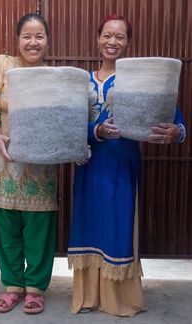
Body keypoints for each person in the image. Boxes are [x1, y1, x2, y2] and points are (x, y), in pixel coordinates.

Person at [68, 14, 186, 317]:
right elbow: (67, 125)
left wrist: (177, 132)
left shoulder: (139, 80)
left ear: (128, 43)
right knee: (90, 224)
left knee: (117, 225)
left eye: (120, 37)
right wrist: (96, 130)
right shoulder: (82, 82)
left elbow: (173, 114)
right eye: (107, 35)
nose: (112, 42)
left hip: (123, 165)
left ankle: (118, 298)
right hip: (89, 164)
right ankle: (89, 296)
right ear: (97, 38)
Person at [0, 13, 58, 314]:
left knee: (39, 225)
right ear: (17, 39)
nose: (33, 42)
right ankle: (13, 286)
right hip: (2, 161)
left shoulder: (53, 76)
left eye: (39, 36)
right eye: (27, 35)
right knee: (5, 223)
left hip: (39, 167)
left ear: (47, 41)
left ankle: (36, 287)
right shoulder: (2, 65)